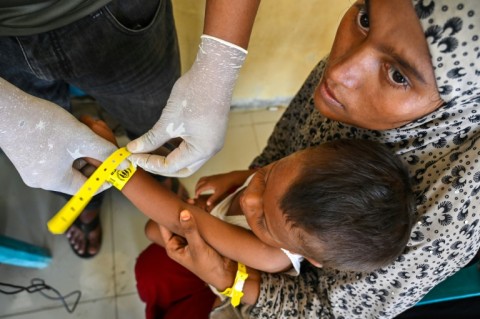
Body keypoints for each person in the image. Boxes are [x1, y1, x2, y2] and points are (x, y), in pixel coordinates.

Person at [136, 0, 480, 318]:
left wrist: (230, 280)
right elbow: (281, 152)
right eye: (364, 19)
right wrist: (253, 173)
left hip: (260, 300)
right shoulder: (347, 78)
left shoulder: (456, 199)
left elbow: (182, 222)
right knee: (151, 272)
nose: (337, 72)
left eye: (398, 76)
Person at [80, 114, 414, 317]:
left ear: (307, 257)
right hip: (206, 227)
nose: (251, 199)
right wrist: (243, 176)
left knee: (155, 234)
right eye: (268, 177)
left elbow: (181, 218)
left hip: (209, 266)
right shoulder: (282, 199)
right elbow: (255, 182)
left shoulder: (269, 256)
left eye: (264, 221)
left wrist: (117, 168)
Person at [0, 0, 260, 257]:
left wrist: (219, 66)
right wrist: (7, 114)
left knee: (158, 126)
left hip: (118, 13)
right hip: (5, 37)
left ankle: (159, 180)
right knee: (51, 160)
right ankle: (86, 201)